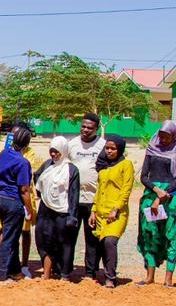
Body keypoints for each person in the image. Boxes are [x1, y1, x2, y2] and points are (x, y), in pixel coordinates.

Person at [137, 120, 176, 287]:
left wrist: (161, 196)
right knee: (150, 234)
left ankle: (168, 279)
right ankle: (149, 276)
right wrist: (155, 191)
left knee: (171, 236)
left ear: (174, 136)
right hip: (151, 196)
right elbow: (144, 176)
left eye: (167, 137)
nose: (163, 140)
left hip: (170, 198)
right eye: (161, 136)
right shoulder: (152, 149)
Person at [90, 134, 134, 288]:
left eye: (113, 149)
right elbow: (99, 189)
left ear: (119, 149)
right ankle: (101, 274)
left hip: (117, 214)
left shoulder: (126, 165)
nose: (109, 151)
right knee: (101, 244)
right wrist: (93, 210)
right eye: (107, 148)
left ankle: (110, 277)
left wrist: (116, 208)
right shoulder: (103, 166)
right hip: (101, 212)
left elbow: (126, 189)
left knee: (110, 241)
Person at [33, 137, 80, 280]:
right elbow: (37, 176)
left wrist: (72, 215)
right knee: (43, 239)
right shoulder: (47, 165)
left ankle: (64, 274)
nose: (53, 154)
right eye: (51, 151)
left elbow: (74, 194)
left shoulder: (71, 170)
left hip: (63, 212)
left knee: (63, 243)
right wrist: (44, 195)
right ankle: (47, 273)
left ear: (64, 151)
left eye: (56, 152)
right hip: (45, 210)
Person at [67, 113, 107, 279]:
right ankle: (65, 269)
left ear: (96, 129)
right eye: (83, 126)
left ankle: (91, 272)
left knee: (92, 239)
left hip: (94, 200)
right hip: (73, 199)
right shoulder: (72, 144)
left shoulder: (103, 145)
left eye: (89, 128)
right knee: (69, 236)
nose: (85, 130)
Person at [0, 128, 35, 283]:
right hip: (13, 202)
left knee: (12, 234)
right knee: (10, 239)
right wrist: (29, 210)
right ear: (27, 144)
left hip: (0, 198)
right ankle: (1, 275)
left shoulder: (4, 154)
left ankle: (15, 271)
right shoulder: (23, 162)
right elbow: (24, 190)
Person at [18, 126, 44, 279]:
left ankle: (25, 265)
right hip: (10, 197)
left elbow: (29, 173)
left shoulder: (31, 155)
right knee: (8, 232)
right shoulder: (5, 152)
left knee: (25, 232)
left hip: (26, 196)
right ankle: (10, 263)